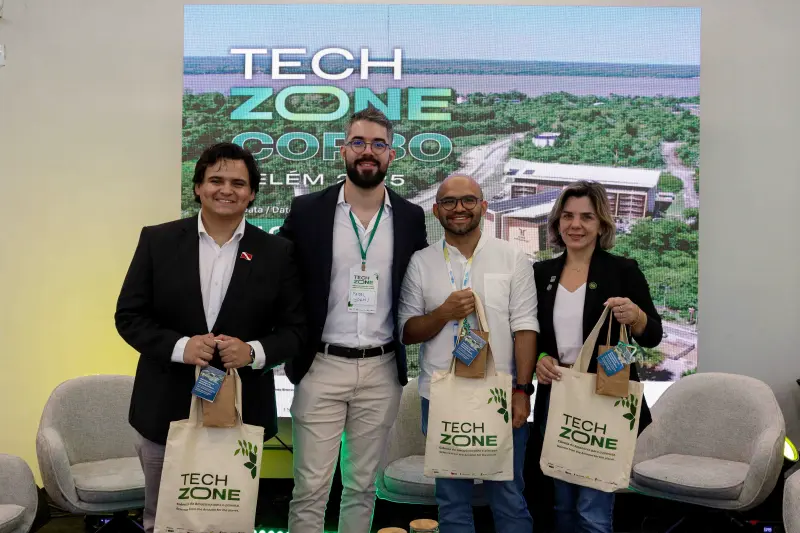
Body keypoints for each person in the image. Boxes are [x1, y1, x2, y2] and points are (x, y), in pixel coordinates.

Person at [115, 142, 306, 533]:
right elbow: (129, 316)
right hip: (164, 410)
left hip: (242, 412)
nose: (226, 190)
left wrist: (253, 351)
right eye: (216, 180)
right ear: (198, 186)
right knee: (161, 519)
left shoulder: (277, 252)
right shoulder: (158, 240)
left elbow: (297, 331)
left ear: (252, 193)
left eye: (238, 183)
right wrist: (181, 347)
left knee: (230, 518)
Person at [278, 106, 428, 533]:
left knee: (362, 487)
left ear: (391, 155)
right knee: (310, 489)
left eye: (378, 144)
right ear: (343, 150)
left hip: (382, 368)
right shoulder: (308, 210)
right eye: (358, 142)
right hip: (321, 365)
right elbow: (279, 278)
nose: (368, 151)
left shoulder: (410, 216)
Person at [399, 175, 538, 533]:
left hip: (501, 395)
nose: (459, 208)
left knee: (508, 496)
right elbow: (407, 332)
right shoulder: (421, 262)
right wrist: (443, 313)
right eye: (449, 201)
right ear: (436, 210)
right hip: (441, 396)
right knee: (451, 500)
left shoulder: (512, 257)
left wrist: (522, 390)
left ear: (483, 206)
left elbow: (525, 328)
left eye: (468, 200)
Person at [529, 180, 662, 533]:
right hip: (558, 394)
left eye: (586, 217)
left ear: (601, 224)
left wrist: (636, 316)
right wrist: (540, 357)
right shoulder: (541, 273)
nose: (576, 225)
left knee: (593, 509)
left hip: (605, 396)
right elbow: (533, 335)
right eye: (568, 216)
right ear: (557, 222)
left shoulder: (623, 270)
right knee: (561, 505)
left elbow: (652, 335)